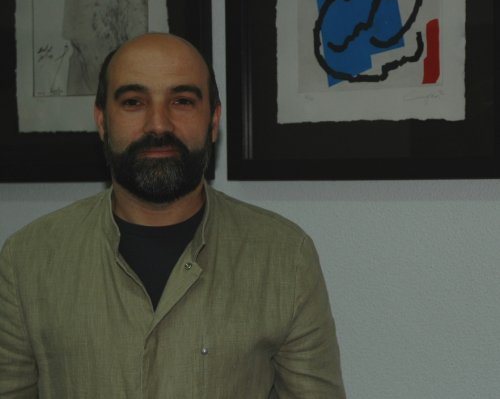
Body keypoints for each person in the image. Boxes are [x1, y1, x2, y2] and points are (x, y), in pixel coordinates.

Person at [0, 33, 346, 397]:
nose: (158, 125)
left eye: (182, 101)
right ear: (102, 121)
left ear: (213, 120)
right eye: (133, 102)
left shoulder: (285, 258)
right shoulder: (27, 260)